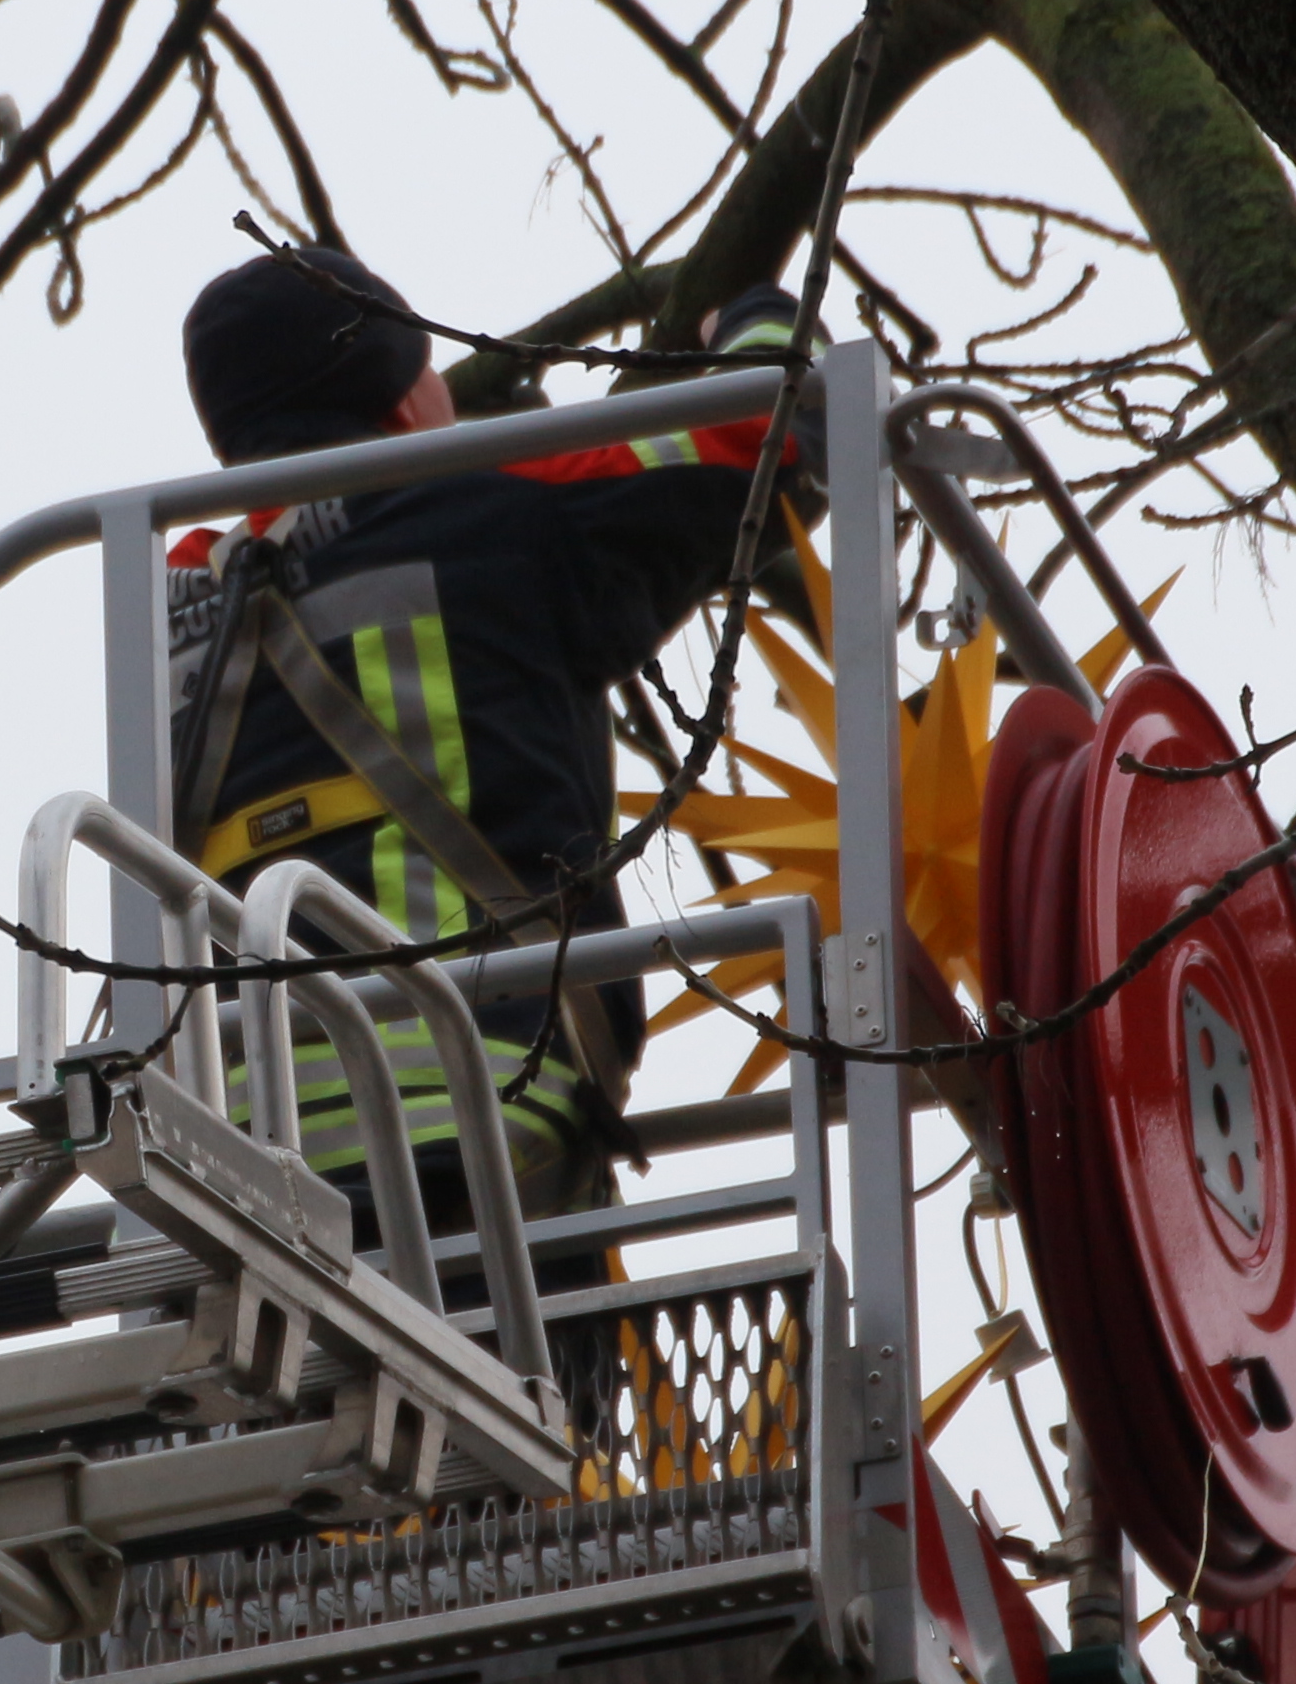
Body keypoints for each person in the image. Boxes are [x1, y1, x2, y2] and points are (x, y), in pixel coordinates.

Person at [162, 242, 811, 1269]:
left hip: (227, 1161)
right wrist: (752, 316)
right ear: (396, 392)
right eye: (427, 367)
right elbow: (775, 436)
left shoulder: (168, 598)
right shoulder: (487, 499)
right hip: (480, 1103)